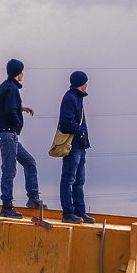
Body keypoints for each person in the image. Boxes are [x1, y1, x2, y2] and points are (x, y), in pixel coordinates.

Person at [0, 59, 45, 219]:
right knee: (9, 170)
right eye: (22, 71)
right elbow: (8, 109)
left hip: (9, 135)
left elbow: (6, 104)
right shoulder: (11, 88)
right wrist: (17, 122)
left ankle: (33, 199)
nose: (23, 74)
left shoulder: (6, 87)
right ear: (18, 72)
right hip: (8, 134)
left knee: (29, 162)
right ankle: (7, 207)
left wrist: (21, 107)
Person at [57, 70, 93, 224]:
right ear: (81, 83)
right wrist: (81, 132)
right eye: (85, 82)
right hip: (73, 146)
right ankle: (68, 213)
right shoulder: (70, 98)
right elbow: (66, 122)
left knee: (79, 181)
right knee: (69, 180)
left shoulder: (76, 97)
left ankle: (80, 212)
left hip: (80, 145)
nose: (87, 85)